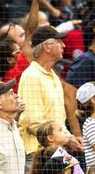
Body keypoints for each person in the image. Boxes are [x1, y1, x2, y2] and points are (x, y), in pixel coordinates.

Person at [18, 26, 80, 154]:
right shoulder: (31, 76)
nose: (63, 45)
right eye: (59, 41)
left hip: (56, 150)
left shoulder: (53, 76)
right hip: (37, 153)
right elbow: (34, 123)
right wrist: (66, 139)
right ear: (46, 46)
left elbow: (58, 120)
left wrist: (70, 137)